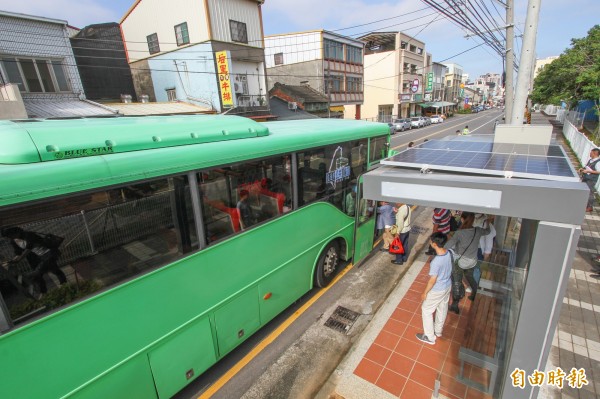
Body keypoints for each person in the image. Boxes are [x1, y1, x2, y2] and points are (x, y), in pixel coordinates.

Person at [445, 212, 492, 314]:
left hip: (460, 262)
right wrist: (487, 222)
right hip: (472, 261)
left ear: (462, 219)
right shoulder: (477, 231)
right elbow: (488, 231)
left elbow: (447, 246)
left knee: (456, 282)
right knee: (470, 278)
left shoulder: (459, 233)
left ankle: (455, 305)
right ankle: (475, 294)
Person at [1, 226, 67, 296]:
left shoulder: (28, 235)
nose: (11, 237)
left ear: (16, 231)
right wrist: (13, 260)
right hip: (40, 256)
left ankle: (64, 285)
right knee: (49, 270)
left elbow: (29, 248)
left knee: (41, 271)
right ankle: (44, 292)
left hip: (49, 252)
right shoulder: (13, 241)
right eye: (8, 236)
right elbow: (18, 253)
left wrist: (19, 259)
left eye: (11, 235)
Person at [416, 232, 453, 345]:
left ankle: (430, 337)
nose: (430, 242)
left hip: (438, 289)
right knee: (442, 308)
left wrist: (424, 292)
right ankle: (438, 331)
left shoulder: (436, 262)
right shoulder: (450, 252)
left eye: (431, 241)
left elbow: (432, 280)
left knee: (426, 310)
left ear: (435, 244)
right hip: (448, 285)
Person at [578, 148, 600, 212]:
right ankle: (583, 204)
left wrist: (588, 171)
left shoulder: (598, 162)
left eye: (591, 152)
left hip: (591, 180)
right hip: (586, 178)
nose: (590, 153)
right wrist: (582, 169)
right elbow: (587, 166)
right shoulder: (591, 160)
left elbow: (599, 171)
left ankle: (590, 207)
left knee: (590, 193)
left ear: (594, 153)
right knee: (584, 191)